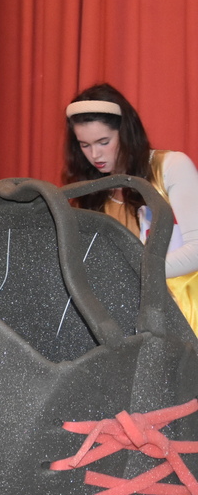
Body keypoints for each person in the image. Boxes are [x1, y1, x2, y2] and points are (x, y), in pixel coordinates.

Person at [62, 82, 198, 333]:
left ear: (125, 133)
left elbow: (197, 249)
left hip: (185, 313)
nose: (95, 155)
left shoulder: (170, 167)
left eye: (103, 142)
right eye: (85, 145)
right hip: (128, 321)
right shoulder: (91, 191)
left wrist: (132, 273)